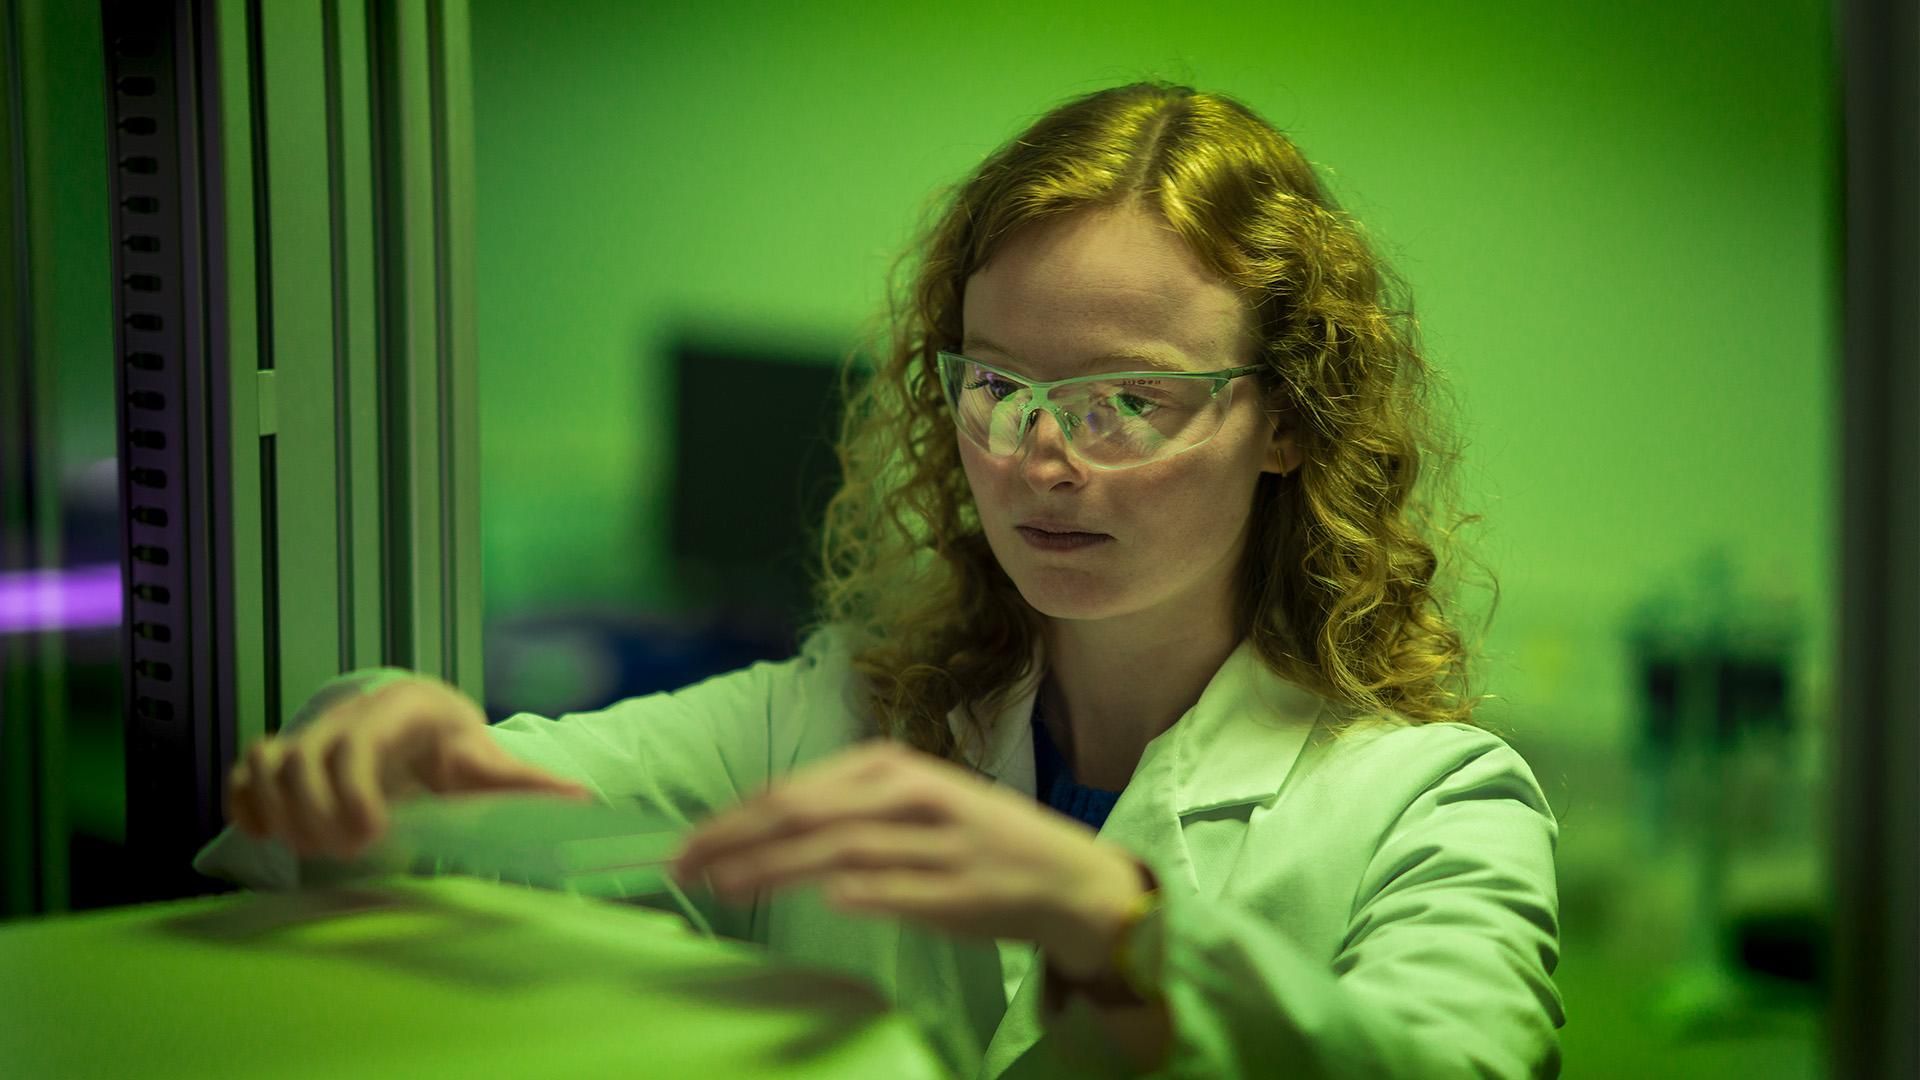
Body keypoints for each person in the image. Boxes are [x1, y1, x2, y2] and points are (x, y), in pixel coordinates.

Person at [199, 81, 1564, 1078]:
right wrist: (370, 757)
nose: (1041, 458)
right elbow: (405, 851)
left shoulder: (1431, 804)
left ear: (1285, 422)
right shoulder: (837, 718)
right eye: (997, 385)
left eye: (1130, 398)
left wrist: (1126, 937)